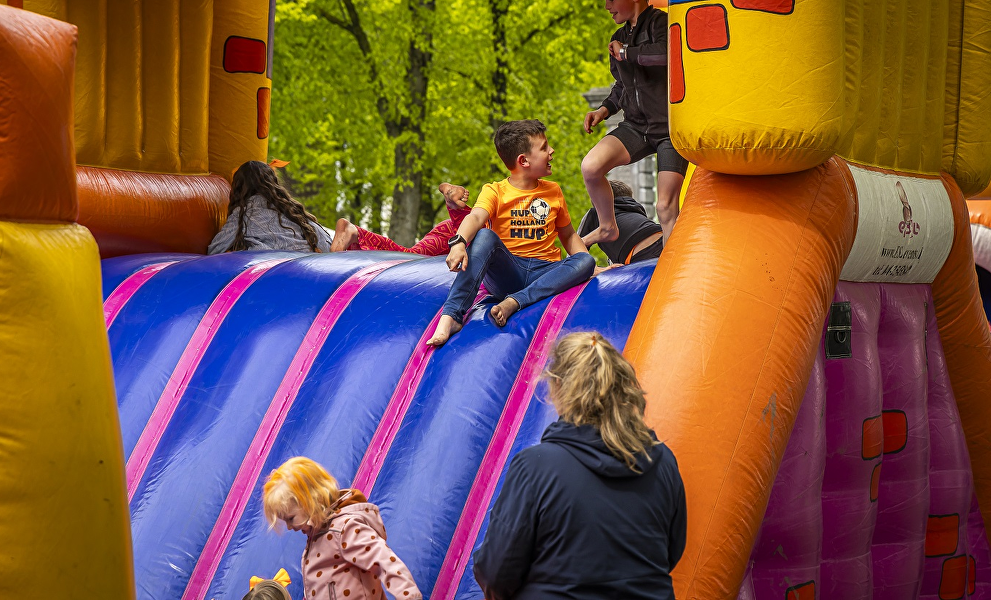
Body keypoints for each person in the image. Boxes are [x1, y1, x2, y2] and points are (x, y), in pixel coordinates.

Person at [473, 331, 687, 600]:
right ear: (620, 385)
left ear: (557, 386)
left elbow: (496, 573)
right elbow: (671, 552)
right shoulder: (662, 461)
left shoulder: (535, 467)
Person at [426, 120, 596, 346]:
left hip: (545, 272)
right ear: (523, 161)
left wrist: (589, 267)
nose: (551, 151)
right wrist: (458, 243)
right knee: (484, 236)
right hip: (508, 272)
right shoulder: (494, 191)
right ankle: (451, 316)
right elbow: (475, 217)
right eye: (544, 147)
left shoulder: (553, 191)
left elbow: (569, 235)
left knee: (585, 260)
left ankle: (515, 302)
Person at [581, 0, 687, 249]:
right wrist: (604, 110)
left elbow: (665, 54)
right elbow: (622, 86)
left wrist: (625, 53)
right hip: (636, 127)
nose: (607, 6)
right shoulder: (618, 37)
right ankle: (607, 227)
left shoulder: (663, 23)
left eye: (612, 0)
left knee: (665, 207)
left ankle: (669, 267)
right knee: (590, 167)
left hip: (669, 131)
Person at [262, 457, 422, 600]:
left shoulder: (344, 530)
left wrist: (409, 595)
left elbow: (384, 561)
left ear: (310, 501)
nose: (289, 527)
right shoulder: (317, 539)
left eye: (291, 518)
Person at [209, 160, 334, 254]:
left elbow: (216, 248)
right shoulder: (289, 208)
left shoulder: (242, 213)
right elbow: (322, 240)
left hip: (274, 262)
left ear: (238, 189)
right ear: (273, 183)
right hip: (304, 257)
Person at [331, 183, 472, 255]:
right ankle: (454, 206)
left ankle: (355, 233)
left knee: (410, 257)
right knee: (410, 261)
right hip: (460, 229)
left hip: (452, 227)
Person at [578, 180, 664, 265]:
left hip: (641, 252)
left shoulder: (595, 214)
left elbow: (575, 247)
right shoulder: (637, 210)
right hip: (664, 238)